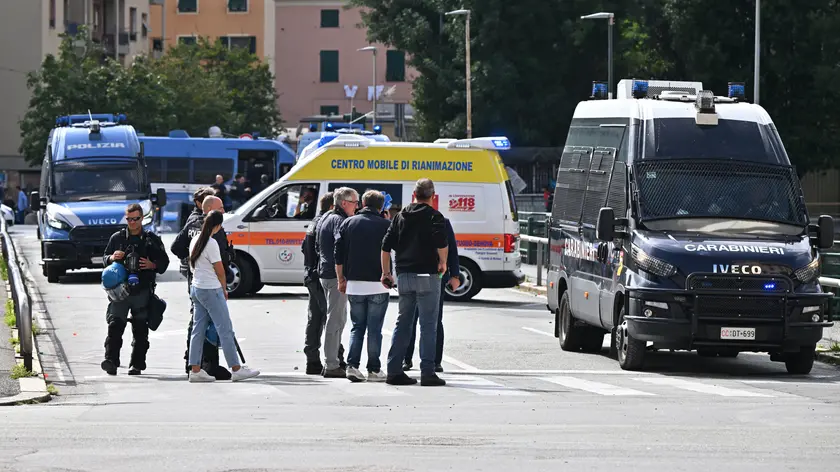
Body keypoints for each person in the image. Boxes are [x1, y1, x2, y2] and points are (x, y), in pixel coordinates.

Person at [381, 178, 448, 386]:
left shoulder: (400, 216)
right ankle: (427, 373)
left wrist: (386, 273)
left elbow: (385, 246)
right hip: (427, 276)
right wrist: (443, 263)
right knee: (428, 325)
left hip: (404, 277)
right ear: (432, 195)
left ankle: (394, 370)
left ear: (414, 195)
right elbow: (441, 243)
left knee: (403, 323)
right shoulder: (435, 217)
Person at [187, 210, 260, 383]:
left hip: (197, 287)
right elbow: (220, 270)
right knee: (225, 328)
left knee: (198, 329)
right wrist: (224, 288)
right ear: (218, 226)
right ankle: (236, 368)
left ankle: (195, 370)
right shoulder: (211, 243)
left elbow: (192, 266)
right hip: (211, 289)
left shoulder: (195, 239)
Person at [171, 191, 234, 380]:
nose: (224, 211)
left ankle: (194, 365)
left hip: (196, 281)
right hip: (211, 283)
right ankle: (211, 365)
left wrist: (193, 263)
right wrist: (224, 282)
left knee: (198, 324)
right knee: (217, 325)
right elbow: (220, 261)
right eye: (220, 208)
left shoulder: (191, 223)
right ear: (209, 210)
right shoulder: (213, 231)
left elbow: (177, 247)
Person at [101, 203, 170, 376]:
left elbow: (164, 263)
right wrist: (112, 258)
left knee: (140, 329)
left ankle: (137, 364)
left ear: (142, 218)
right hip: (120, 290)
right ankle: (111, 361)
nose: (132, 222)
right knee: (115, 325)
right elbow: (104, 258)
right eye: (129, 219)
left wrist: (151, 264)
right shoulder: (117, 238)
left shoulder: (151, 239)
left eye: (136, 219)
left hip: (142, 290)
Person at [334, 190, 392, 382]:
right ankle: (374, 369)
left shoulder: (347, 223)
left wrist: (341, 279)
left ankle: (352, 366)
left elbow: (338, 255)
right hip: (378, 284)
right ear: (380, 206)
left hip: (354, 284)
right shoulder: (386, 225)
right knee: (374, 329)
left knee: (357, 327)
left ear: (362, 203)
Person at [403, 217, 461, 372]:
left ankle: (432, 361)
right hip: (420, 274)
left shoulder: (441, 221)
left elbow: (452, 249)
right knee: (417, 319)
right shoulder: (407, 219)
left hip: (431, 275)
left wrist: (455, 274)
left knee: (427, 318)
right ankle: (409, 359)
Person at [301, 191, 346, 375]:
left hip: (311, 273)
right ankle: (336, 358)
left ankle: (312, 359)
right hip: (321, 273)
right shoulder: (327, 222)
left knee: (316, 317)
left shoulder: (315, 222)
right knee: (332, 318)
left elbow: (305, 248)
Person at [316, 187, 358, 378]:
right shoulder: (339, 221)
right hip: (334, 276)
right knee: (336, 320)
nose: (357, 207)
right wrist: (342, 276)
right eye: (355, 203)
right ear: (344, 203)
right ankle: (332, 364)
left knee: (335, 319)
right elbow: (339, 249)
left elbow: (317, 246)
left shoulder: (325, 217)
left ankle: (332, 361)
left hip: (326, 273)